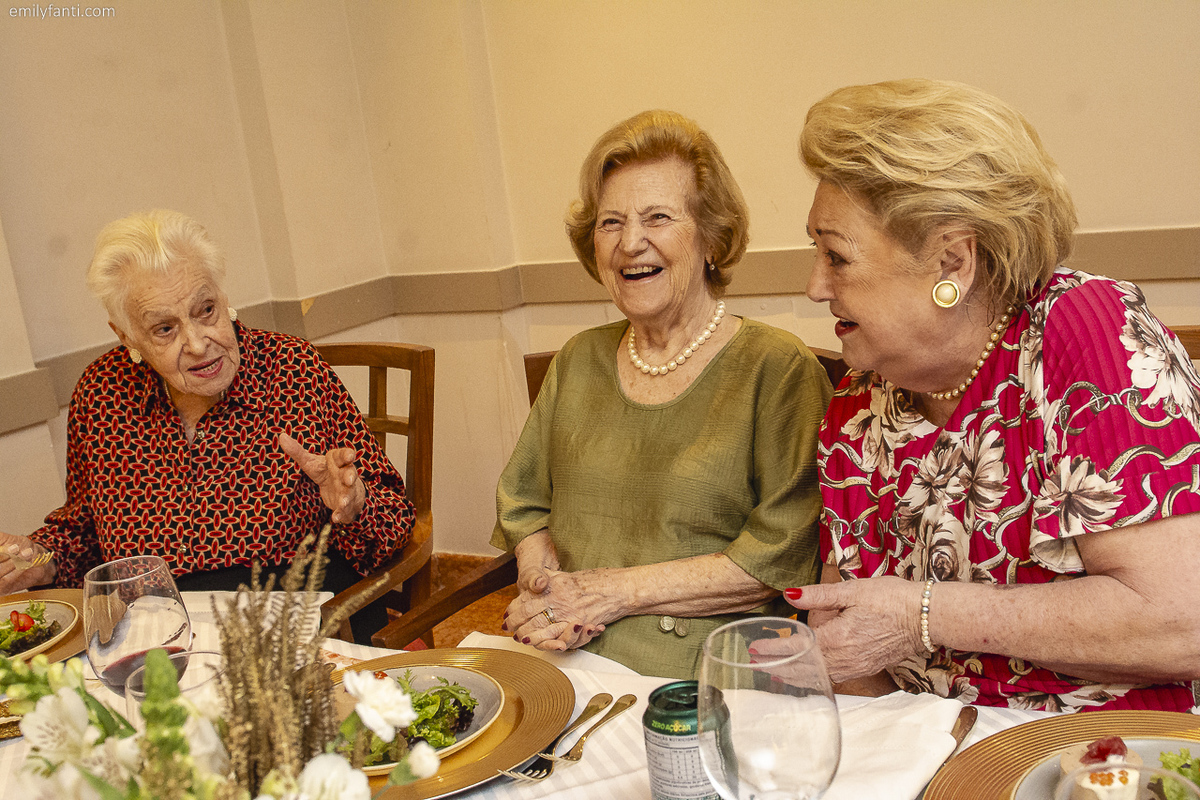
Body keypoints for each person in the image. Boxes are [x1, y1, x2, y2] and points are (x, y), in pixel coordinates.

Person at [770, 79, 1200, 711]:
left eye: (837, 256)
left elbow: (1181, 619)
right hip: (928, 753)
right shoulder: (857, 406)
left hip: (1103, 758)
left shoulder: (1082, 331)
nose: (813, 286)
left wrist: (920, 614)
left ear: (952, 263)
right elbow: (847, 648)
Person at [493, 110, 831, 679]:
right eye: (610, 223)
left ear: (711, 239)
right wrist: (543, 585)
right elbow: (524, 505)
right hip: (565, 654)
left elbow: (781, 559)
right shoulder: (578, 359)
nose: (630, 243)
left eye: (657, 218)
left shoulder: (777, 369)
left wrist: (607, 594)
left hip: (706, 673)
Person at [0, 209, 414, 641]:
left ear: (223, 295)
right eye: (164, 328)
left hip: (297, 627)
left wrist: (355, 506)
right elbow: (85, 528)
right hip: (155, 638)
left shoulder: (292, 370)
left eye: (206, 310)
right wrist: (38, 559)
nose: (198, 343)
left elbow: (394, 522)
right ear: (126, 337)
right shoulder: (103, 393)